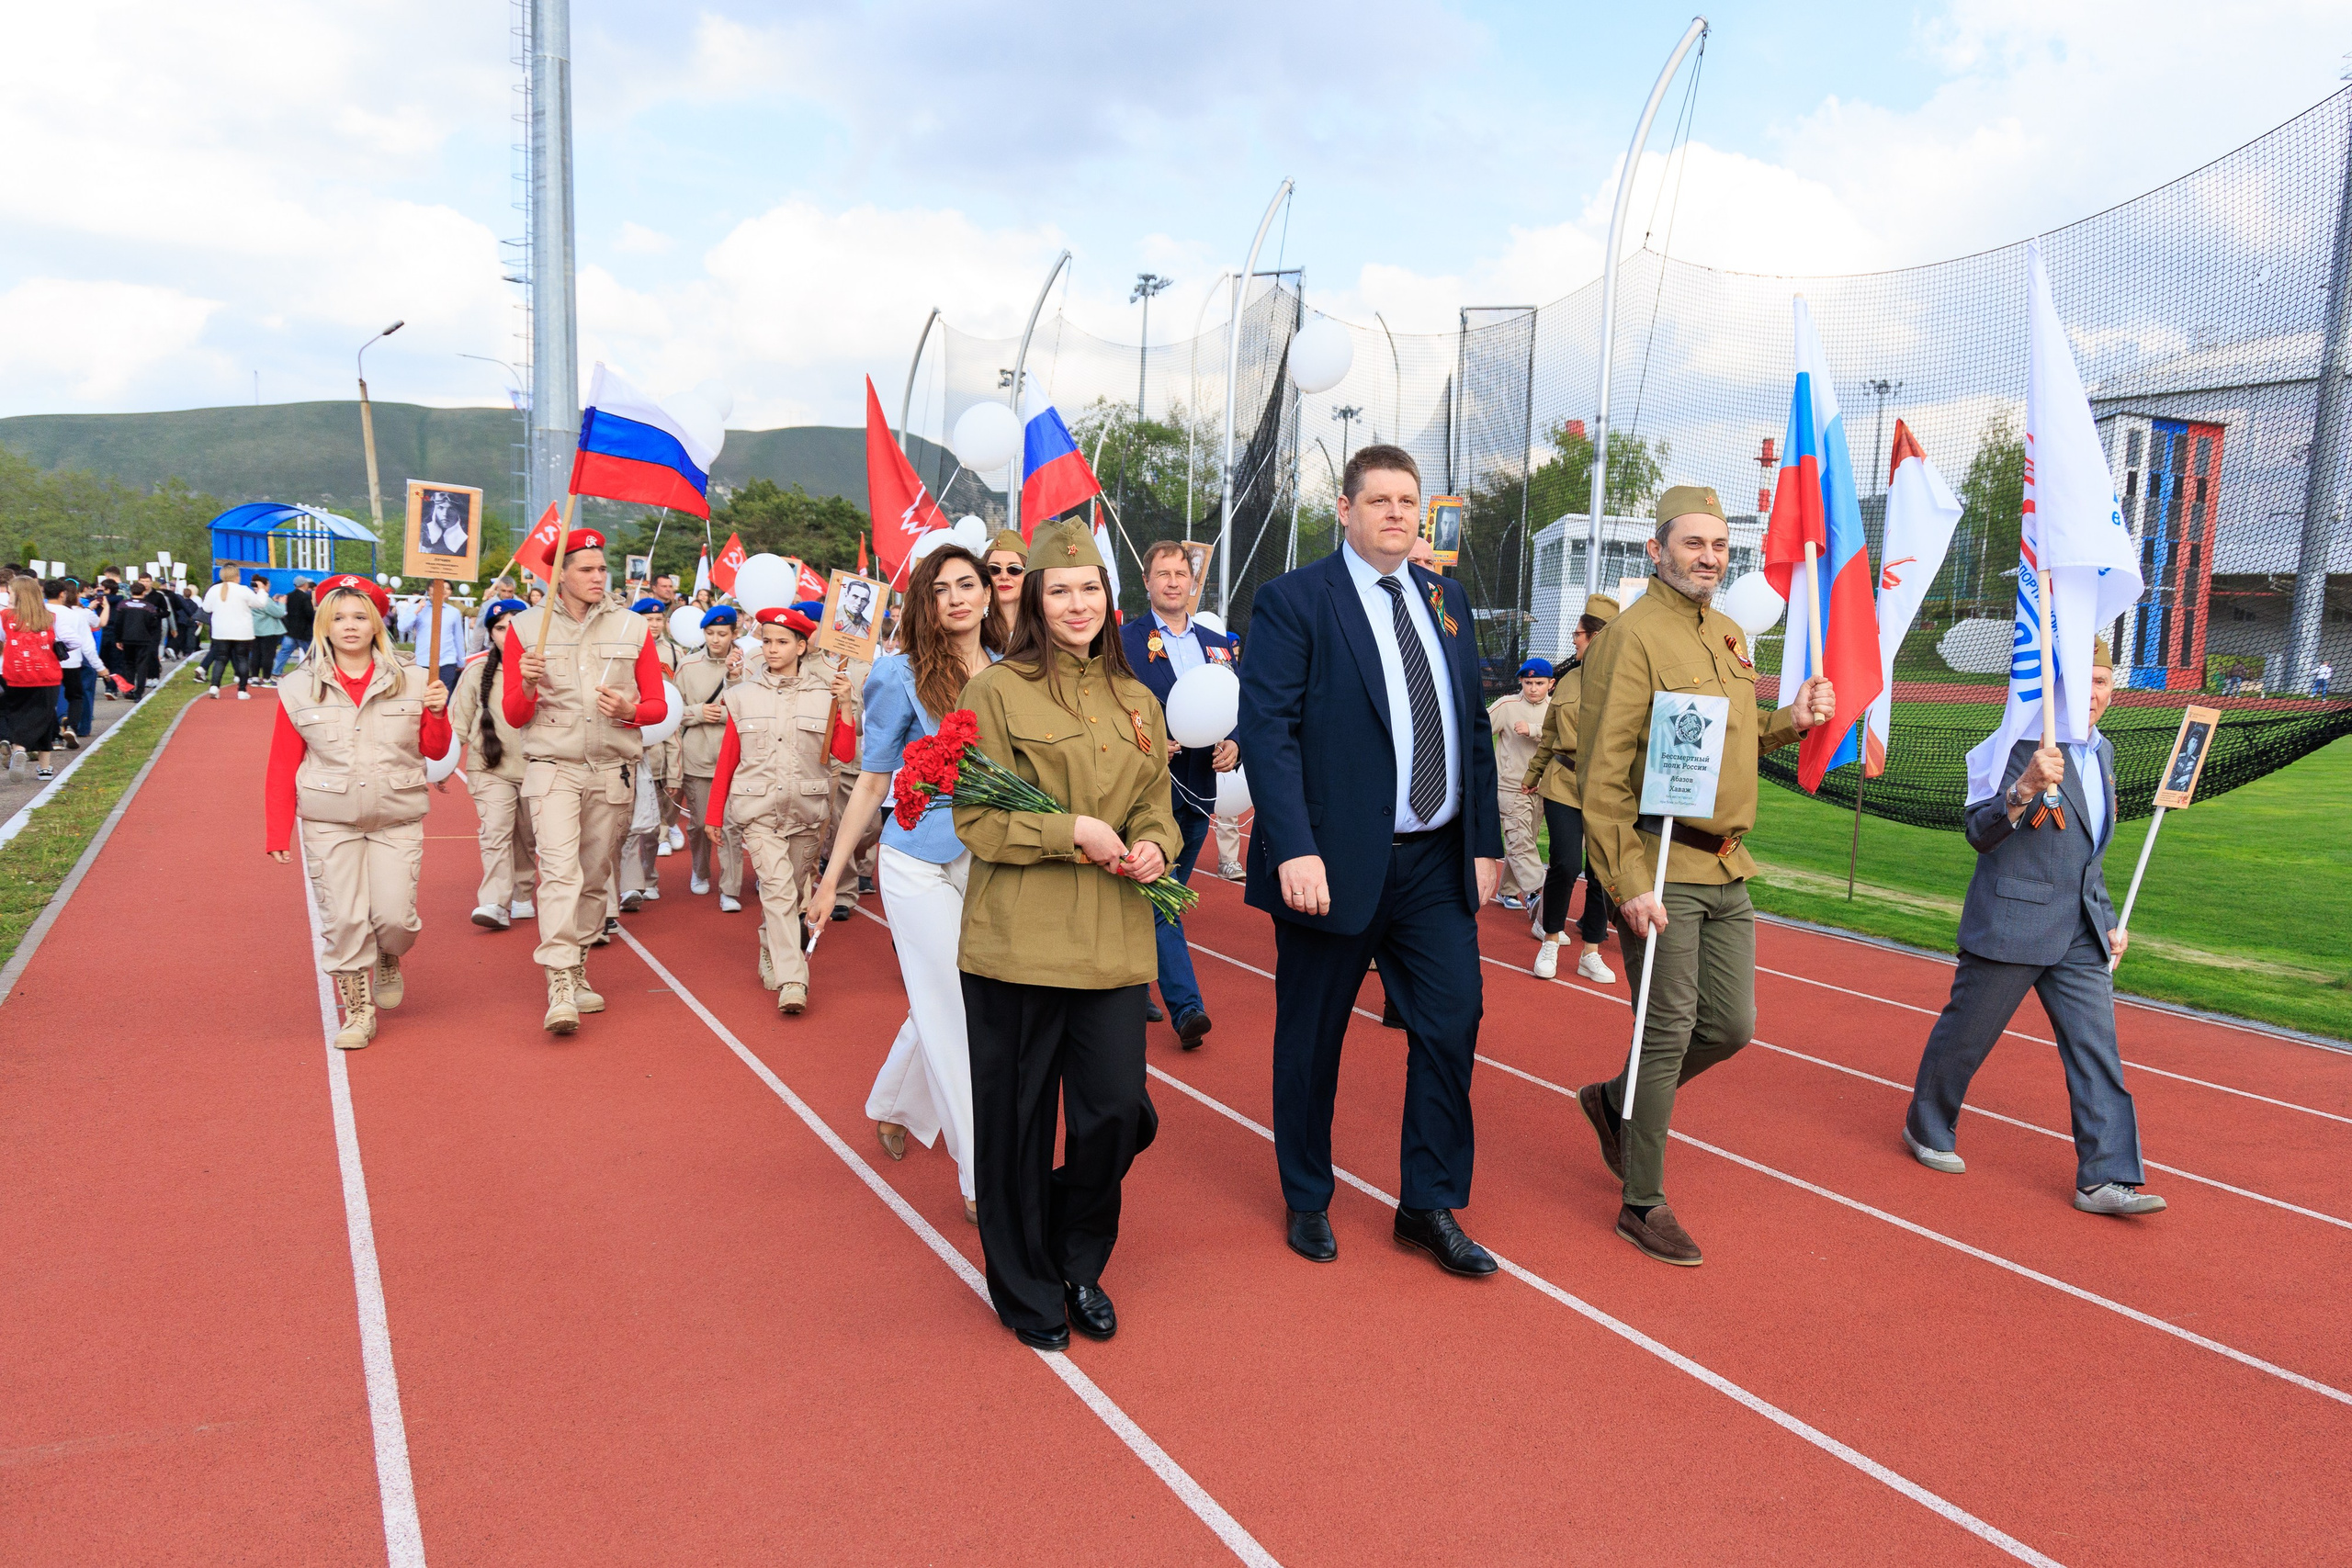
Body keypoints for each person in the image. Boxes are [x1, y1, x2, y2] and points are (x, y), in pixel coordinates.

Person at [1234, 443, 1505, 1277]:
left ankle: (1428, 1202)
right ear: (1345, 510)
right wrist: (1296, 849)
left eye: (1407, 501)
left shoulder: (1447, 598)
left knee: (1452, 1021)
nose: (1395, 513)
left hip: (1434, 862)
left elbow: (1471, 726)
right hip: (1333, 864)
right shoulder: (1292, 601)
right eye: (1379, 499)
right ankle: (1307, 1194)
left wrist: (1486, 839)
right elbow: (1268, 733)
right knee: (1312, 1039)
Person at [1573, 486, 1835, 1267]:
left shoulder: (1726, 634)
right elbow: (1603, 771)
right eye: (1693, 544)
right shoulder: (1630, 637)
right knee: (1667, 1027)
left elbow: (1731, 734)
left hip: (1726, 863)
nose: (1710, 557)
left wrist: (1792, 716)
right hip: (1658, 863)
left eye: (1719, 545)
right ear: (1657, 550)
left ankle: (1613, 1103)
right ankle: (1642, 1201)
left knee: (1732, 1025)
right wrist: (1627, 883)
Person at [956, 519, 1178, 1349]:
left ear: (1107, 599)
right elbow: (977, 818)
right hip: (1017, 942)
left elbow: (1155, 798)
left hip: (1114, 941)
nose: (1077, 603)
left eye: (1089, 589)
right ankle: (1027, 1289)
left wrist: (1159, 841)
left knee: (1116, 1111)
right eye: (1060, 589)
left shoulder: (1137, 699)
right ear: (1035, 601)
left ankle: (1078, 1255)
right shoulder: (997, 691)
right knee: (1015, 1123)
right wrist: (1071, 830)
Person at [1903, 639, 2163, 1215]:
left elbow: (2086, 857)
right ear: (2057, 689)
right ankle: (1927, 1126)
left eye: (2102, 682)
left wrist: (2110, 921)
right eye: (2082, 681)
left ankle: (2106, 1177)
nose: (2092, 694)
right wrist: (2021, 789)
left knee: (2097, 1053)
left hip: (2080, 933)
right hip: (2011, 921)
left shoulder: (2104, 754)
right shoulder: (2014, 746)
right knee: (1966, 1037)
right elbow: (1979, 831)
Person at [812, 543, 1002, 1224]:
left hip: (994, 857)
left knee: (967, 992)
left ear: (987, 594)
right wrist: (831, 879)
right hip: (914, 860)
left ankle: (895, 1103)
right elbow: (871, 781)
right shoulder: (897, 674)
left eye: (967, 584)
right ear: (923, 601)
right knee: (958, 1007)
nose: (955, 597)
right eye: (940, 588)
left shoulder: (1016, 673)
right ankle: (980, 1173)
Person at [264, 575, 453, 1049]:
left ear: (378, 623)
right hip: (330, 817)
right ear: (324, 625)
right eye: (339, 617)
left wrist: (437, 712)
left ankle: (389, 952)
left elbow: (434, 750)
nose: (350, 626)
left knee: (394, 917)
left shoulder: (415, 679)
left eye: (360, 616)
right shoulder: (297, 687)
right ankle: (358, 1008)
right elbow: (283, 761)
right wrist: (276, 831)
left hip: (396, 813)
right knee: (343, 918)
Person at [501, 528, 670, 1035]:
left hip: (612, 771)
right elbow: (514, 714)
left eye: (602, 569)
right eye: (587, 569)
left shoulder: (632, 627)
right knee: (558, 871)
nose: (599, 577)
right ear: (559, 575)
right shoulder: (527, 628)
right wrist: (527, 683)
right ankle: (557, 980)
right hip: (552, 767)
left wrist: (632, 710)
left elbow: (658, 706)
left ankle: (577, 967)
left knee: (595, 877)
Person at [1121, 538, 1240, 1048]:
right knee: (1160, 896)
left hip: (1201, 791)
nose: (1173, 581)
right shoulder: (1124, 641)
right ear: (1146, 581)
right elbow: (1105, 706)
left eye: (1181, 574)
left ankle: (1129, 987)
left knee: (1156, 898)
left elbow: (1244, 702)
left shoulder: (1219, 642)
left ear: (1195, 583)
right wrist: (1146, 741)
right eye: (1162, 573)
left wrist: (1238, 744)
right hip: (1145, 792)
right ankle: (1187, 1007)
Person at [703, 604, 839, 1015]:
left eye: (782, 641)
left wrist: (846, 707)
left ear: (802, 645)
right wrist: (713, 813)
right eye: (766, 640)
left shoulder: (827, 692)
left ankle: (770, 945)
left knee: (794, 893)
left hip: (806, 810)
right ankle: (793, 979)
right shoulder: (741, 695)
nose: (772, 648)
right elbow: (728, 757)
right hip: (758, 810)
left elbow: (844, 753)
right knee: (777, 891)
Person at [1527, 595, 1623, 982]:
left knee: (1601, 870)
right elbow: (1550, 733)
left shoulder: (1628, 681)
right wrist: (1533, 774)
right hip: (1563, 781)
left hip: (1607, 787)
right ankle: (1550, 940)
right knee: (1565, 862)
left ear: (1598, 637)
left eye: (1579, 634)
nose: (1574, 641)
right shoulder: (1568, 679)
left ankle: (1591, 952)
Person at [450, 599, 537, 931]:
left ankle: (523, 893)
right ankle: (494, 902)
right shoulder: (476, 671)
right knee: (495, 833)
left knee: (527, 838)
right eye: (501, 627)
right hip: (489, 766)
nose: (509, 633)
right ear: (491, 634)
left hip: (535, 769)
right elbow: (458, 721)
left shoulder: (542, 670)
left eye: (516, 625)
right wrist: (440, 764)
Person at [675, 605, 746, 910]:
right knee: (702, 823)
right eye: (710, 633)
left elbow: (752, 710)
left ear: (734, 633)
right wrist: (697, 712)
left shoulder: (749, 665)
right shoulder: (688, 666)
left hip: (736, 761)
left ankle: (729, 887)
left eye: (722, 633)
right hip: (699, 759)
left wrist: (724, 712)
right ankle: (700, 870)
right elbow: (671, 711)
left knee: (731, 826)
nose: (715, 639)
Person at [1487, 658, 1553, 913]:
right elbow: (1479, 730)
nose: (1533, 688)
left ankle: (1507, 890)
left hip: (1543, 789)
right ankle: (1538, 893)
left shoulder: (1556, 708)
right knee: (1519, 840)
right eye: (1528, 682)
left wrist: (1534, 730)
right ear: (1521, 683)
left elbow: (1567, 735)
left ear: (1551, 684)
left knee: (1528, 840)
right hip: (1511, 787)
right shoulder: (1506, 705)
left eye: (1539, 683)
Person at [0, 577, 67, 779]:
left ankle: (19, 748)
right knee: (45, 717)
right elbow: (71, 640)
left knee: (17, 713)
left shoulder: (6, 617)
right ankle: (44, 767)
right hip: (46, 674)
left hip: (16, 673)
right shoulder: (51, 617)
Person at [48, 580, 102, 749]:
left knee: (49, 699)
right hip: (71, 661)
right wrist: (99, 666)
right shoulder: (74, 614)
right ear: (62, 594)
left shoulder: (39, 612)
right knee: (75, 696)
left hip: (47, 660)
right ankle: (71, 726)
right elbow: (86, 643)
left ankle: (55, 736)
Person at [201, 566, 266, 698]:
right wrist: (262, 590)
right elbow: (260, 604)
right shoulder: (243, 590)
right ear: (237, 577)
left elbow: (207, 608)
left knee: (220, 659)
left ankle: (214, 686)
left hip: (220, 631)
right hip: (242, 632)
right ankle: (242, 690)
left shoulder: (214, 590)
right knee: (242, 659)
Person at [112, 579, 170, 699]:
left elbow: (118, 623)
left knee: (129, 664)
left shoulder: (123, 605)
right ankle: (139, 692)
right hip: (144, 639)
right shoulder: (149, 607)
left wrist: (118, 639)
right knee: (142, 665)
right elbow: (153, 624)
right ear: (144, 592)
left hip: (127, 639)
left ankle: (129, 689)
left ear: (131, 591)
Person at [983, 529, 1027, 645]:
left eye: (1014, 569)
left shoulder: (1044, 631)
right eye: (994, 569)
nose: (1004, 577)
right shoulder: (972, 630)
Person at [277, 578, 315, 675]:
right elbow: (309, 613)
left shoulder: (289, 596)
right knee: (311, 653)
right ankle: (315, 672)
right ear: (304, 584)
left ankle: (275, 672)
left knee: (284, 652)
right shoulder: (305, 597)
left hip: (290, 630)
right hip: (303, 631)